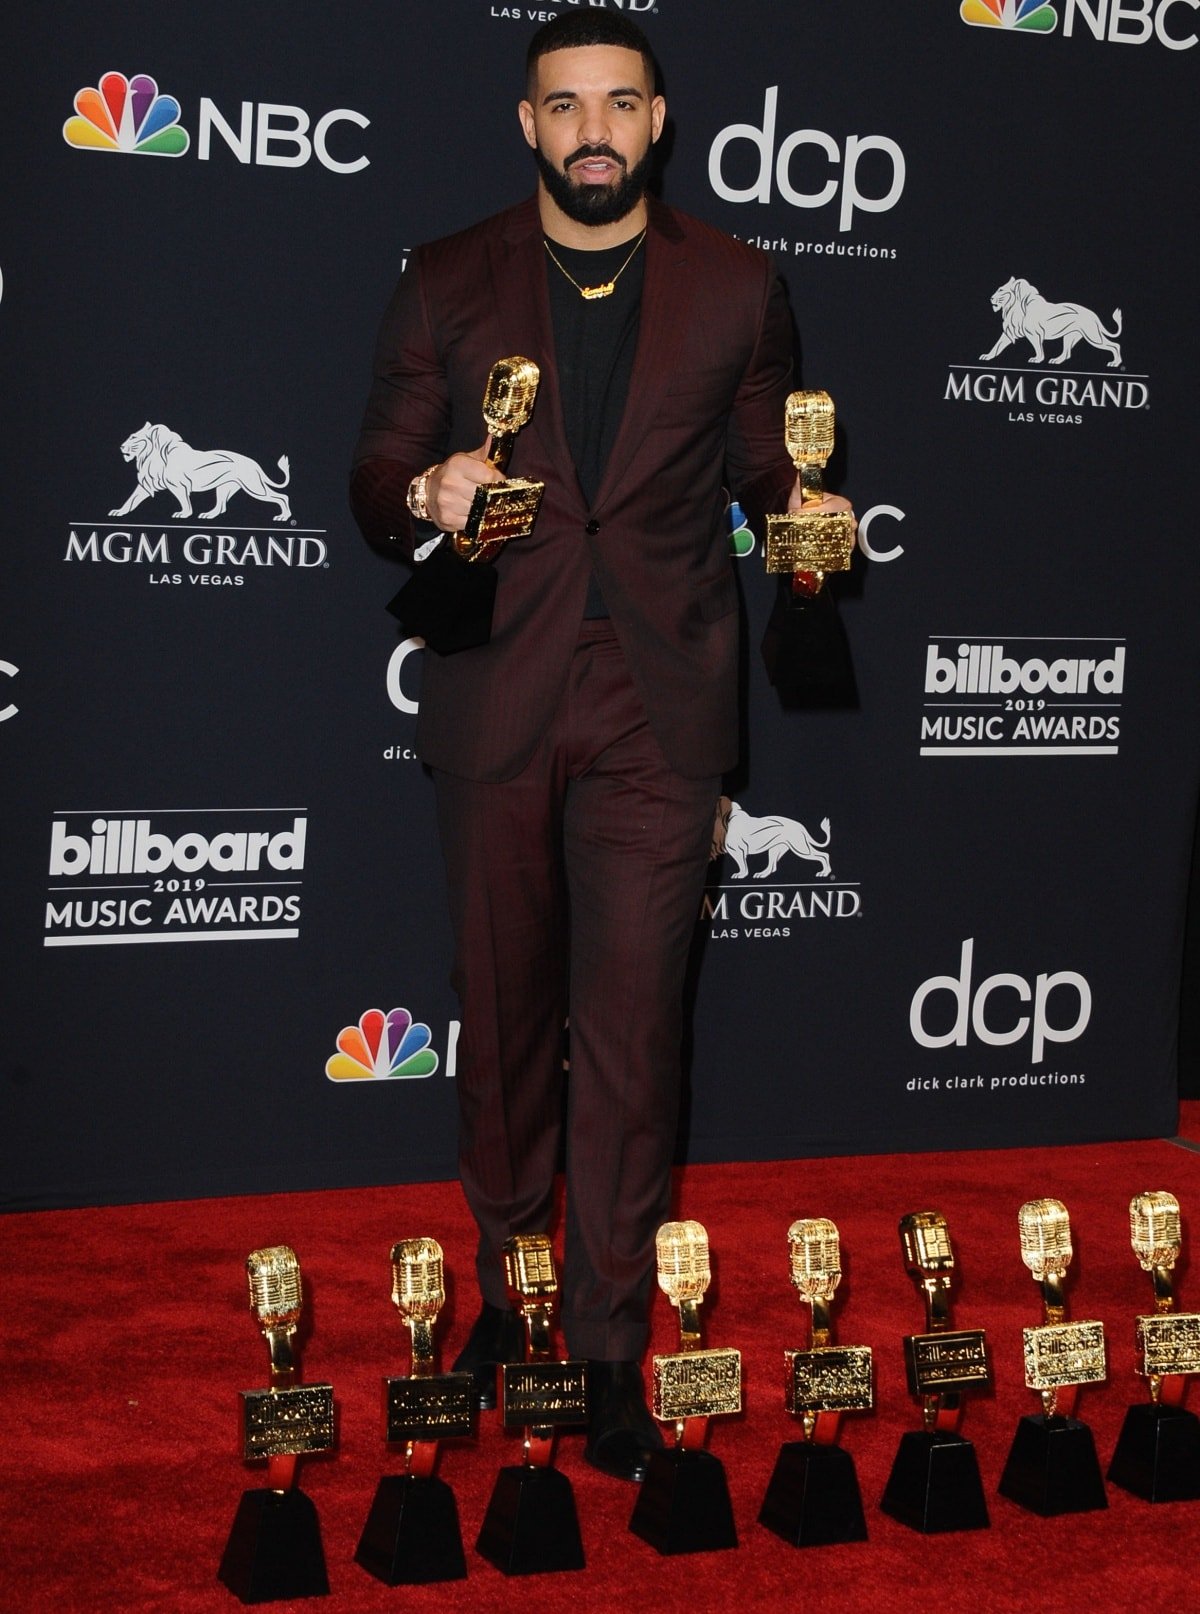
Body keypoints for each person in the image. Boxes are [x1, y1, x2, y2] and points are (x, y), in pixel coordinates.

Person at [351, 12, 853, 1482]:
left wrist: (808, 531)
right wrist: (427, 489)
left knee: (633, 1038)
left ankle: (615, 1349)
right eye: (562, 104)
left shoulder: (739, 287)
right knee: (503, 1028)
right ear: (527, 126)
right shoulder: (448, 275)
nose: (590, 129)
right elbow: (373, 468)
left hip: (659, 707)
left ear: (658, 121)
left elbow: (772, 469)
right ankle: (518, 1298)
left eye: (617, 106)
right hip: (497, 690)